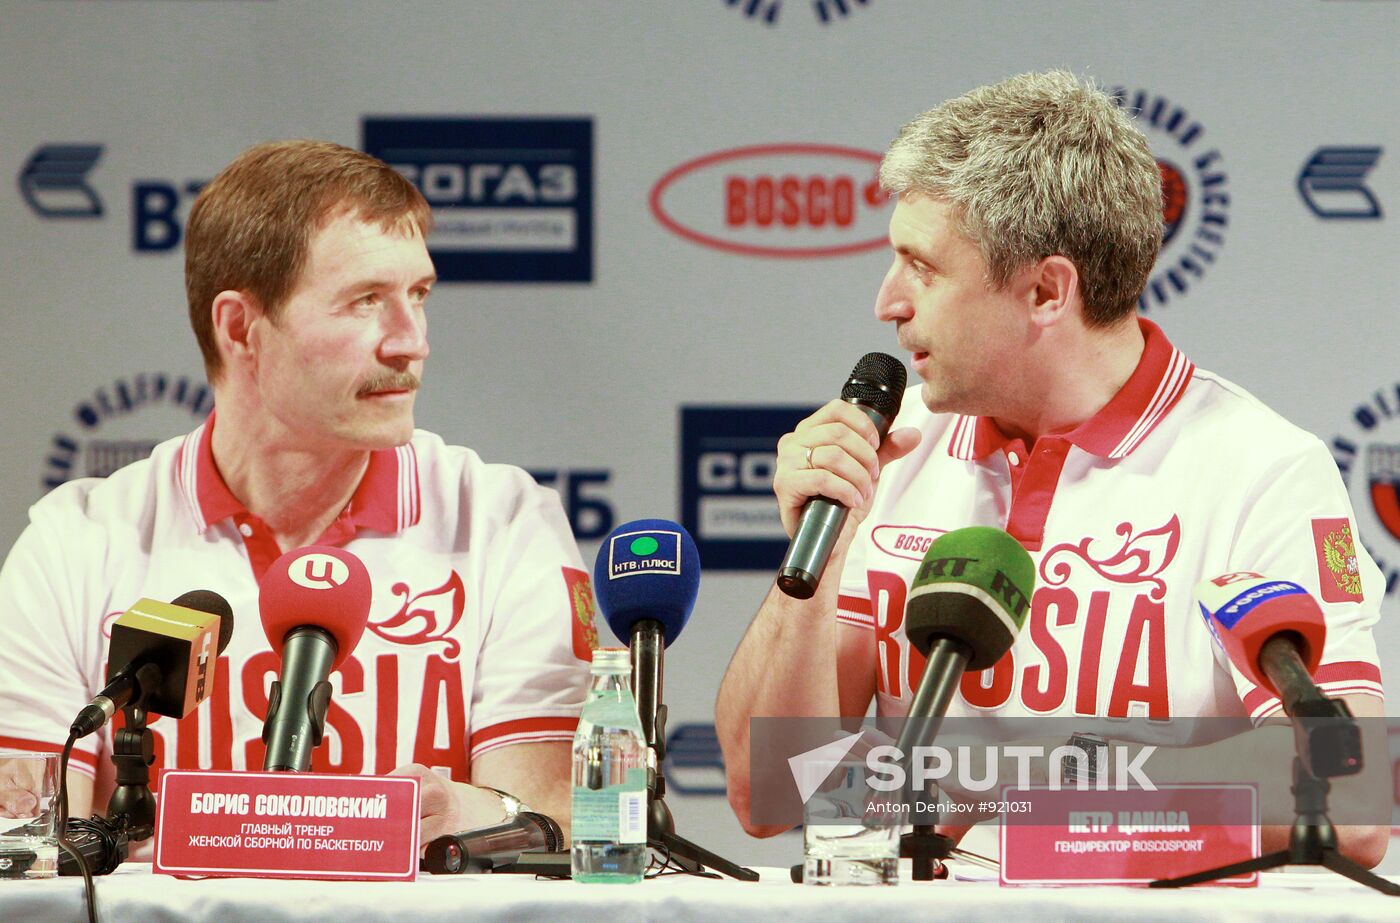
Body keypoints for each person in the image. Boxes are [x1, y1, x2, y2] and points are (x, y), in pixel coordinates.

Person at [715, 71, 1387, 866]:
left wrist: (1041, 801)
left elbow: (1351, 799)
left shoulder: (1261, 469)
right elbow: (769, 794)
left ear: (1045, 290)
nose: (887, 302)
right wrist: (815, 569)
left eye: (922, 267)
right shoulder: (894, 450)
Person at [0, 140, 595, 844]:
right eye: (365, 301)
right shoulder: (77, 544)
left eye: (419, 295)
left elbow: (554, 822)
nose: (411, 342)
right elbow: (25, 833)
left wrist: (477, 813)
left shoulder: (503, 523)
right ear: (239, 328)